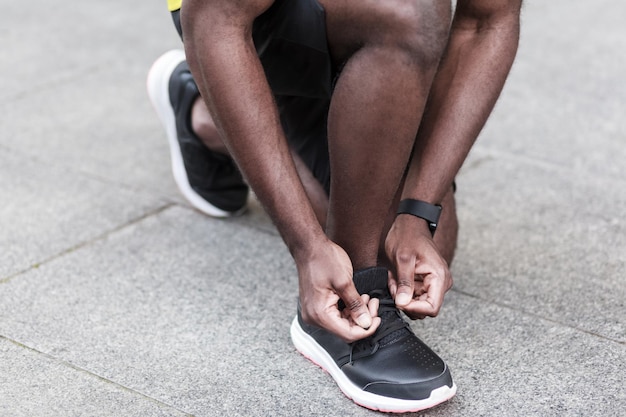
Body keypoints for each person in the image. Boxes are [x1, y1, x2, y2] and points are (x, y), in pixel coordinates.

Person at [148, 0, 522, 412]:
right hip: (239, 16)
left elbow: (486, 21)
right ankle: (353, 293)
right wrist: (308, 248)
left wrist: (417, 214)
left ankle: (223, 111)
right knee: (408, 15)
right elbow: (214, 20)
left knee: (408, 254)